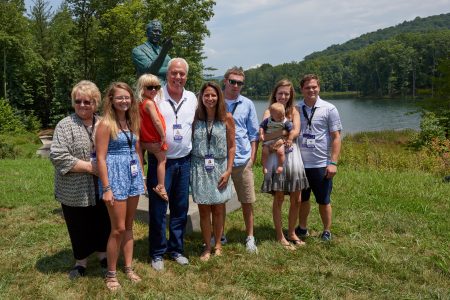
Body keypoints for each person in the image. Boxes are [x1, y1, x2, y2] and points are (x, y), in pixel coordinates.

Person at [50, 80, 110, 279]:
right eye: (78, 101)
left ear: (96, 103)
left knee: (103, 221)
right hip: (74, 189)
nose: (82, 105)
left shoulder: (104, 123)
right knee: (78, 225)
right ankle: (81, 262)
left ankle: (103, 256)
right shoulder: (65, 125)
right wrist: (90, 168)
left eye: (87, 101)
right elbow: (58, 155)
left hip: (101, 186)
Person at [147, 58, 197, 271]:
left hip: (184, 161)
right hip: (161, 161)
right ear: (167, 75)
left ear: (186, 76)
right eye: (174, 73)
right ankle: (157, 252)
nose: (178, 77)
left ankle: (176, 249)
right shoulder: (156, 96)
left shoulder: (192, 97)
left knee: (180, 207)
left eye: (182, 74)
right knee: (158, 208)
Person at [96, 82, 145, 291]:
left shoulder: (132, 120)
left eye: (127, 97)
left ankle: (128, 267)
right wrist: (107, 188)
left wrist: (141, 175)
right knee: (118, 229)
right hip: (115, 177)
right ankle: (111, 273)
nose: (124, 101)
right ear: (111, 100)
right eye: (119, 98)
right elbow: (100, 158)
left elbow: (137, 149)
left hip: (133, 176)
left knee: (129, 226)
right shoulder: (106, 124)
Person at [261, 79, 309, 250]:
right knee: (279, 197)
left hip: (293, 156)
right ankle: (280, 234)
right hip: (276, 157)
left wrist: (283, 135)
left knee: (297, 198)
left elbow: (295, 131)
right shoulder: (269, 111)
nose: (283, 96)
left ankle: (292, 233)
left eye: (286, 94)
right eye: (280, 93)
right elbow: (265, 136)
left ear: (291, 95)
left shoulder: (294, 110)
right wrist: (284, 134)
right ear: (275, 93)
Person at [191, 82, 236, 261]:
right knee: (203, 210)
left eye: (213, 95)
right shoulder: (195, 118)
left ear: (219, 97)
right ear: (201, 98)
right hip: (199, 167)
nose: (210, 98)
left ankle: (218, 243)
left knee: (218, 208)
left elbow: (232, 146)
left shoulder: (227, 118)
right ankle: (207, 246)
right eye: (206, 95)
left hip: (219, 167)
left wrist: (229, 170)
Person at [296, 74, 342, 241]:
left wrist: (333, 162)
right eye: (307, 87)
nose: (311, 90)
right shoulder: (296, 109)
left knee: (323, 200)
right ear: (302, 89)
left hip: (321, 164)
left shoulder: (329, 109)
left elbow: (336, 137)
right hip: (300, 164)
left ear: (319, 88)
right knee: (302, 199)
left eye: (314, 87)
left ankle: (327, 230)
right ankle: (302, 228)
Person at [223, 66, 259, 253]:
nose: (236, 85)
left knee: (247, 200)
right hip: (220, 160)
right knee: (219, 201)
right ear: (225, 81)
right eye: (233, 81)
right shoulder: (214, 100)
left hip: (242, 160)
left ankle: (250, 237)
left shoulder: (247, 104)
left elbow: (254, 134)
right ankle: (219, 235)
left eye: (240, 83)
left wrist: (252, 157)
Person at [136, 74, 169, 201]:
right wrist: (162, 136)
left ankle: (142, 182)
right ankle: (161, 186)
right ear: (142, 88)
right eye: (150, 87)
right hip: (154, 139)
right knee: (162, 160)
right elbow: (156, 121)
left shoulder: (140, 103)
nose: (154, 90)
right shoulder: (149, 103)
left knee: (143, 161)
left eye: (157, 87)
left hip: (144, 139)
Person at [259, 102, 293, 174]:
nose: (282, 118)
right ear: (272, 115)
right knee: (264, 152)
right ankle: (264, 166)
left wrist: (290, 139)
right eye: (279, 117)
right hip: (268, 139)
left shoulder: (285, 121)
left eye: (283, 115)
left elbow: (291, 131)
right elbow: (261, 127)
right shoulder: (268, 120)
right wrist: (261, 134)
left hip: (279, 139)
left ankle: (280, 166)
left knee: (280, 152)